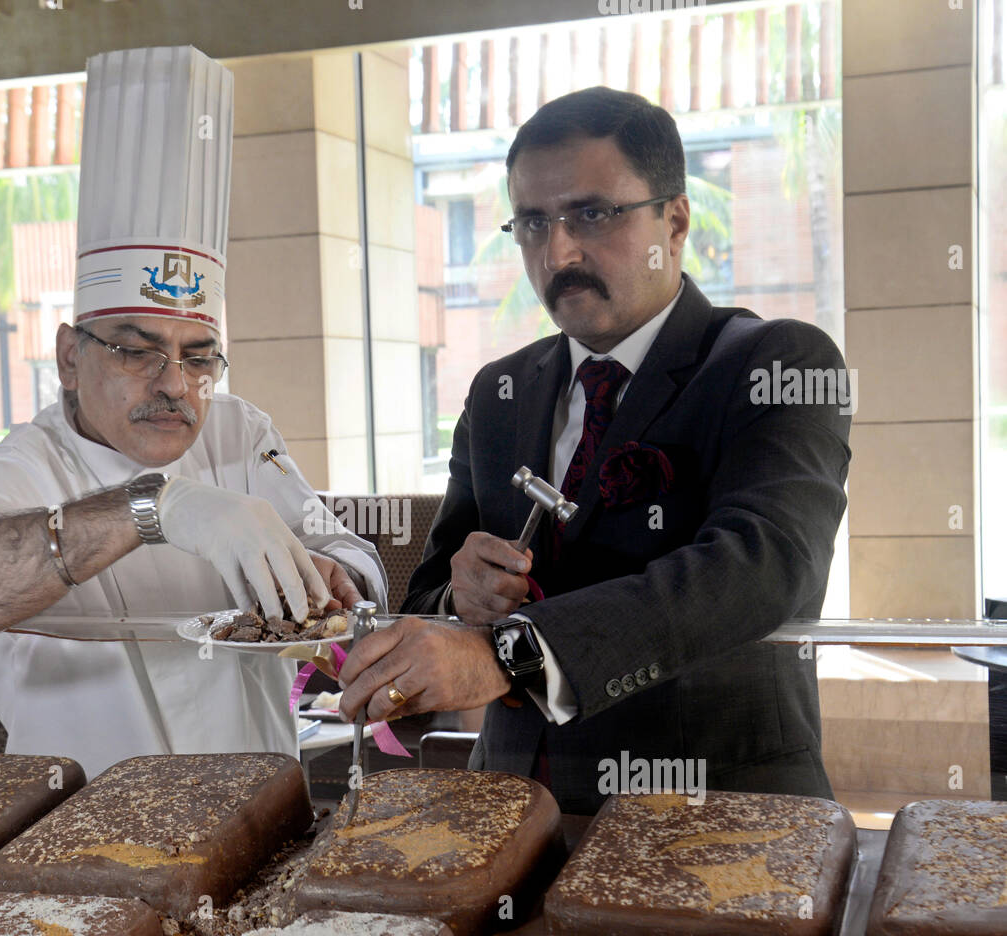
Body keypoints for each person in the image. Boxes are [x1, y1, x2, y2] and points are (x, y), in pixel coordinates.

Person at [0, 47, 386, 778]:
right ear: (70, 358)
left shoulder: (240, 431)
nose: (176, 383)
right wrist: (152, 509)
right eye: (136, 351)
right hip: (84, 833)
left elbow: (354, 561)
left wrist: (334, 580)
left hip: (259, 808)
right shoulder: (22, 468)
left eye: (200, 354)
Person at [336, 86, 851, 814]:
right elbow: (430, 595)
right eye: (534, 222)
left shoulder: (774, 363)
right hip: (511, 816)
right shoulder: (498, 392)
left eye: (592, 214)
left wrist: (509, 654)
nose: (559, 251)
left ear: (674, 221)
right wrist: (464, 596)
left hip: (710, 817)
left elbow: (766, 567)